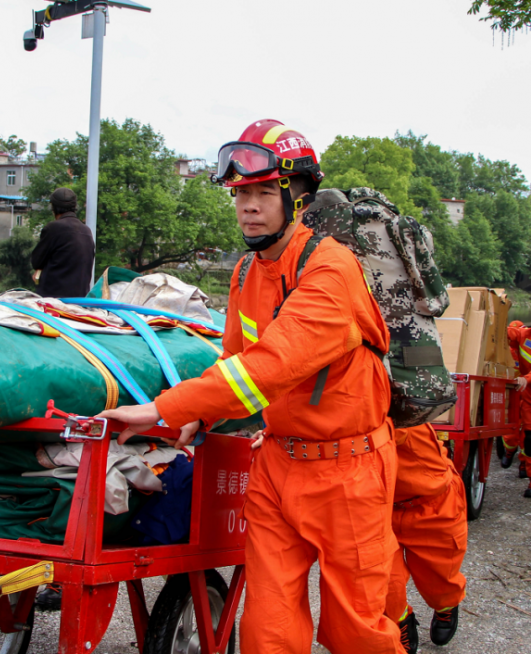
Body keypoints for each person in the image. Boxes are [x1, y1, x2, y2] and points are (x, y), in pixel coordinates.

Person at [100, 120, 406, 653]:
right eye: (242, 194)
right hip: (278, 467)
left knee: (355, 632)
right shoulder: (245, 273)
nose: (249, 205)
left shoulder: (331, 270)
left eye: (265, 192)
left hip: (349, 472)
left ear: (301, 200)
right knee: (269, 630)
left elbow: (267, 367)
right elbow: (234, 363)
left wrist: (161, 409)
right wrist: (201, 417)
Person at [386, 424, 467, 654]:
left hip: (432, 504)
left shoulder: (397, 397)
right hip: (378, 507)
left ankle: (446, 605)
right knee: (382, 580)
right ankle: (400, 620)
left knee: (440, 577)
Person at [30, 187, 95, 298]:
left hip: (54, 299)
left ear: (53, 208)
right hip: (80, 299)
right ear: (74, 207)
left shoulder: (53, 228)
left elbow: (36, 261)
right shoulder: (86, 231)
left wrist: (40, 268)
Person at [504, 320, 531, 492]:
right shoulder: (523, 335)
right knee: (529, 440)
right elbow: (504, 335)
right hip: (528, 397)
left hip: (526, 386)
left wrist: (526, 379)